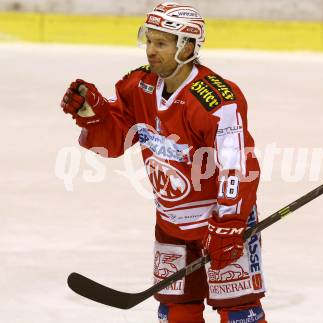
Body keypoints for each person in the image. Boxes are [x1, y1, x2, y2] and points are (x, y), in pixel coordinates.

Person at [60, 3, 267, 322]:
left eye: (161, 43)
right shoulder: (137, 87)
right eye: (149, 41)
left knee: (240, 313)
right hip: (171, 223)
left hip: (219, 222)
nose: (150, 51)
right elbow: (114, 143)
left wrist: (230, 223)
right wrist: (93, 116)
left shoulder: (215, 99)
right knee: (176, 311)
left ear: (186, 47)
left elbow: (237, 164)